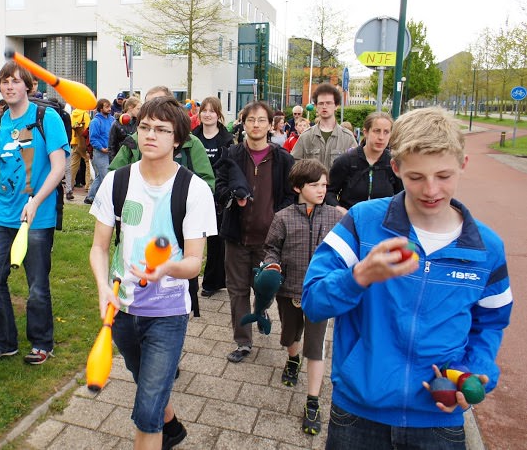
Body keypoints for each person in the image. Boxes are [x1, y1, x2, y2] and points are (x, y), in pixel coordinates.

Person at [303, 107, 512, 449]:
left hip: (439, 418)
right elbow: (313, 302)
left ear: (463, 164)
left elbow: (490, 323)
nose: (431, 190)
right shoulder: (363, 223)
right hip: (358, 413)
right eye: (416, 177)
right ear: (396, 167)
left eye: (444, 175)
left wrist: (472, 373)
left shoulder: (486, 248)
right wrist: (359, 276)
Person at [89, 96, 216, 450]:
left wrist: (167, 268)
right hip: (122, 309)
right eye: (145, 127)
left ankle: (160, 426)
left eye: (161, 130)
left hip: (168, 312)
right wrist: (103, 287)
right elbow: (99, 247)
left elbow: (194, 263)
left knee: (146, 410)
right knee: (150, 386)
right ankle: (171, 426)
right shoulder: (116, 182)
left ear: (178, 140)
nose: (150, 135)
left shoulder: (195, 190)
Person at [0, 60, 69, 366]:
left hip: (37, 216)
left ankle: (42, 342)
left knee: (37, 286)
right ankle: (4, 342)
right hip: (1, 214)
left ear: (27, 86)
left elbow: (59, 167)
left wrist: (36, 201)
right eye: (4, 81)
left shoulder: (47, 117)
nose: (9, 86)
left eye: (16, 81)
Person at [261, 159, 342, 435]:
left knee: (316, 346)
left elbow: (346, 251)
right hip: (289, 291)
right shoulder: (282, 217)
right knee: (290, 336)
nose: (321, 190)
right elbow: (271, 248)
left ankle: (312, 400)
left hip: (321, 294)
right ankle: (292, 359)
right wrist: (272, 265)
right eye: (314, 185)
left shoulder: (336, 217)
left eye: (324, 184)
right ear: (297, 187)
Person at [215, 100, 295, 363]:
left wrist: (277, 220)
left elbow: (290, 196)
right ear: (244, 122)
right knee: (237, 290)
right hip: (236, 236)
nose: (256, 125)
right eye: (251, 120)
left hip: (269, 242)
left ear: (270, 124)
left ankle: (262, 311)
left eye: (262, 120)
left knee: (265, 289)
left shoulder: (283, 159)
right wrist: (232, 196)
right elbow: (220, 187)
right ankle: (243, 342)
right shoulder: (232, 155)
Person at [109, 86, 215, 192]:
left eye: (159, 103)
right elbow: (113, 180)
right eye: (147, 104)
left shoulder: (191, 143)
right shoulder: (133, 141)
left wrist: (180, 198)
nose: (152, 109)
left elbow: (206, 185)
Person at [192, 96, 233, 297]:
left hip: (218, 197)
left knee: (217, 242)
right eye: (204, 111)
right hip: (193, 195)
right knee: (191, 238)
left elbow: (227, 169)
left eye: (212, 111)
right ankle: (187, 281)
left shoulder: (227, 140)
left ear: (218, 115)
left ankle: (212, 282)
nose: (207, 114)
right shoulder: (192, 137)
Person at [326, 112, 402, 213]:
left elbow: (402, 196)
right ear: (365, 132)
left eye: (386, 132)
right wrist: (340, 210)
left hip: (382, 223)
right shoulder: (346, 161)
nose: (381, 137)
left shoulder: (394, 163)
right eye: (377, 131)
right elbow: (329, 192)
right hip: (351, 222)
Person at [290, 83, 357, 170]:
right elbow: (294, 165)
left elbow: (356, 167)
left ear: (336, 106)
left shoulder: (347, 137)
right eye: (321, 103)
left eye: (328, 103)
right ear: (316, 106)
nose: (324, 107)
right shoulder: (306, 137)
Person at [84, 98, 114, 204]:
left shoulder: (112, 120)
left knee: (100, 176)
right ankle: (106, 199)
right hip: (100, 153)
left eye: (110, 106)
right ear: (100, 108)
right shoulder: (95, 121)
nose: (109, 109)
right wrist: (102, 148)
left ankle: (90, 197)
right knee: (105, 176)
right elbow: (93, 139)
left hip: (110, 152)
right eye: (107, 107)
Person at [108, 96, 140, 162]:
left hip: (134, 159)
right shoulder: (116, 123)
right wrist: (113, 163)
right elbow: (111, 146)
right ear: (130, 108)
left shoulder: (139, 123)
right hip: (120, 159)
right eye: (138, 109)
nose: (140, 112)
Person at [69, 104, 92, 194]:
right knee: (88, 162)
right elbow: (88, 129)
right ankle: (88, 186)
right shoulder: (85, 115)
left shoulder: (72, 114)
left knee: (73, 164)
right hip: (83, 142)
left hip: (74, 141)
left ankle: (69, 185)